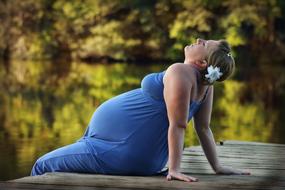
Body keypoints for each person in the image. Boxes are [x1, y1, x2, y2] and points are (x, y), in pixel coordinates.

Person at [31, 38, 250, 182]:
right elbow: (203, 129)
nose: (199, 39)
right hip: (127, 151)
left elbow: (179, 125)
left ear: (202, 63)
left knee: (41, 166)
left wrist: (174, 169)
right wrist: (217, 166)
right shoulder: (205, 86)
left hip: (117, 151)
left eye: (204, 43)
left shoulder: (180, 71)